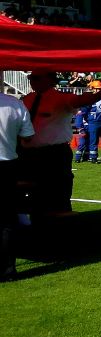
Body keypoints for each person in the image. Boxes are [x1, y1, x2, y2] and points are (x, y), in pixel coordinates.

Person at [19, 70, 101, 212]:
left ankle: (61, 226)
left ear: (50, 80)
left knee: (59, 194)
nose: (32, 81)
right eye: (31, 78)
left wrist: (98, 96)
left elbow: (80, 101)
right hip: (29, 154)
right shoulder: (27, 99)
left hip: (54, 154)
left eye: (36, 78)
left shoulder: (61, 98)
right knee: (34, 196)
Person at [0, 88, 34, 279]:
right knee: (6, 220)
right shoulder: (15, 104)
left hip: (7, 163)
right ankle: (7, 269)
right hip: (7, 165)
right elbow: (28, 136)